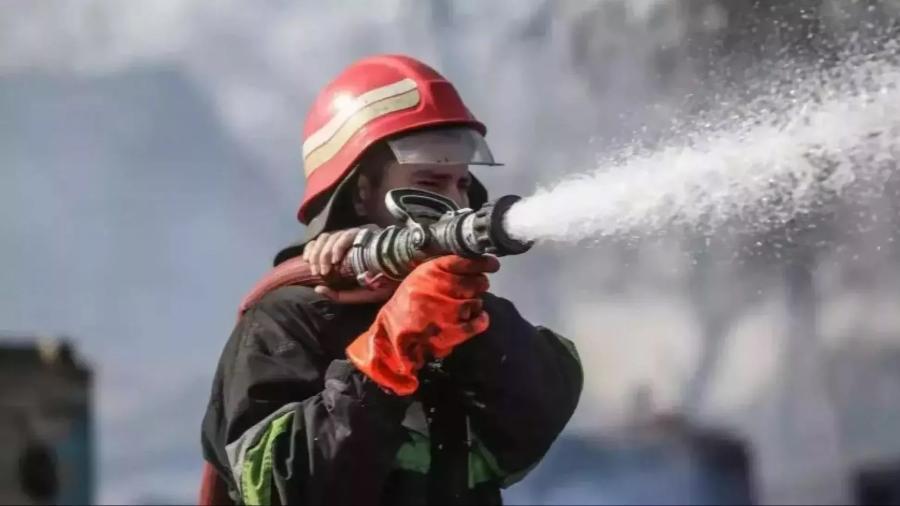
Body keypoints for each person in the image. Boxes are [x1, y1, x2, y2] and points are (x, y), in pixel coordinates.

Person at [200, 54, 583, 505]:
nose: (454, 203)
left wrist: (473, 324)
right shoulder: (287, 320)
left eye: (462, 183)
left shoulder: (458, 315)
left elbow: (533, 426)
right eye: (431, 182)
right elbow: (280, 488)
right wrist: (385, 359)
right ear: (361, 192)